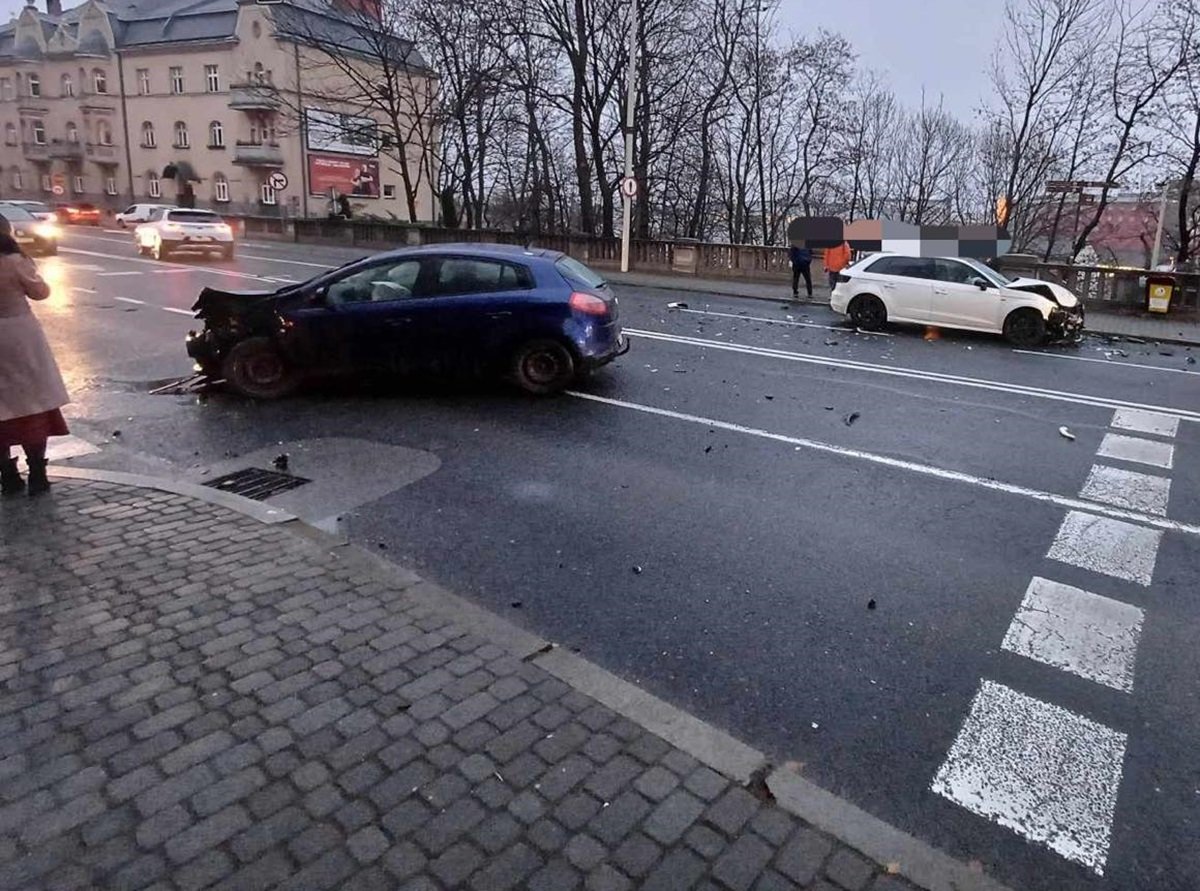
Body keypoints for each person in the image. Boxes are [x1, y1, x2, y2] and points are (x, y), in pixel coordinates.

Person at [0, 218, 69, 497]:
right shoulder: (14, 261)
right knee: (32, 402)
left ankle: (8, 476)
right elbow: (40, 293)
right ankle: (38, 475)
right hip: (20, 336)